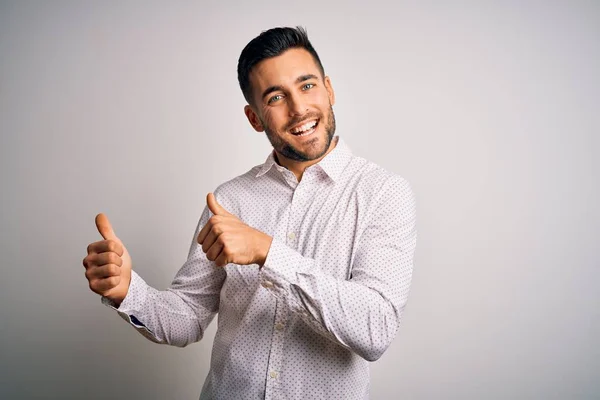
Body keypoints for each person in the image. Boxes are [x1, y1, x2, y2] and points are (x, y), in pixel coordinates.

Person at [83, 26, 417, 400]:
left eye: (307, 86)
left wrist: (268, 252)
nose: (299, 108)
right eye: (276, 97)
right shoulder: (230, 200)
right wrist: (128, 291)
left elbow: (375, 330)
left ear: (329, 89)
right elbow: (188, 317)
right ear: (255, 118)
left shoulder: (383, 193)